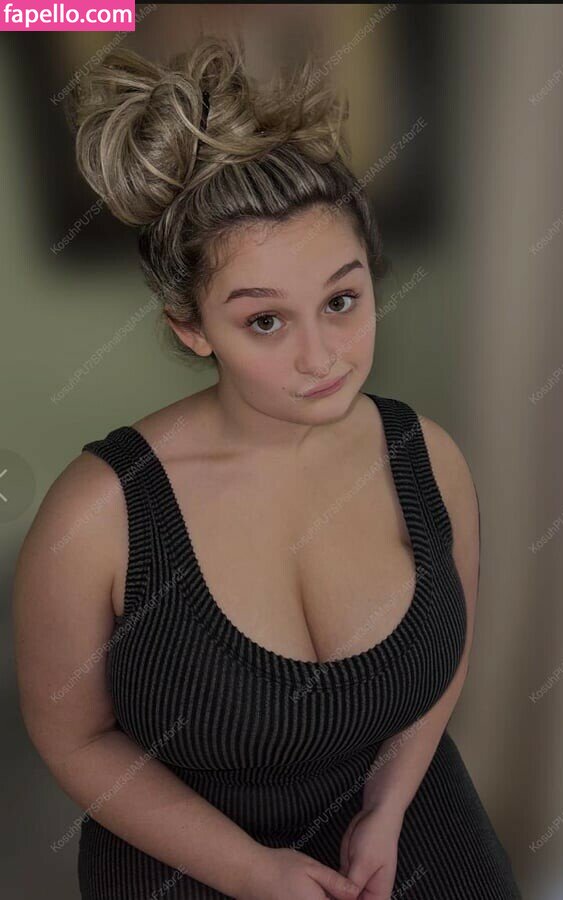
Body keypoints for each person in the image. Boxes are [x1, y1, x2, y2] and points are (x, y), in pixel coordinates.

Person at [13, 35, 522, 900]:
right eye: (265, 321)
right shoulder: (97, 517)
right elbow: (75, 738)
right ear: (190, 327)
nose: (322, 356)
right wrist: (251, 871)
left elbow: (449, 650)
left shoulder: (427, 458)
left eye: (342, 300)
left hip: (413, 831)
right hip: (188, 864)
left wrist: (388, 806)